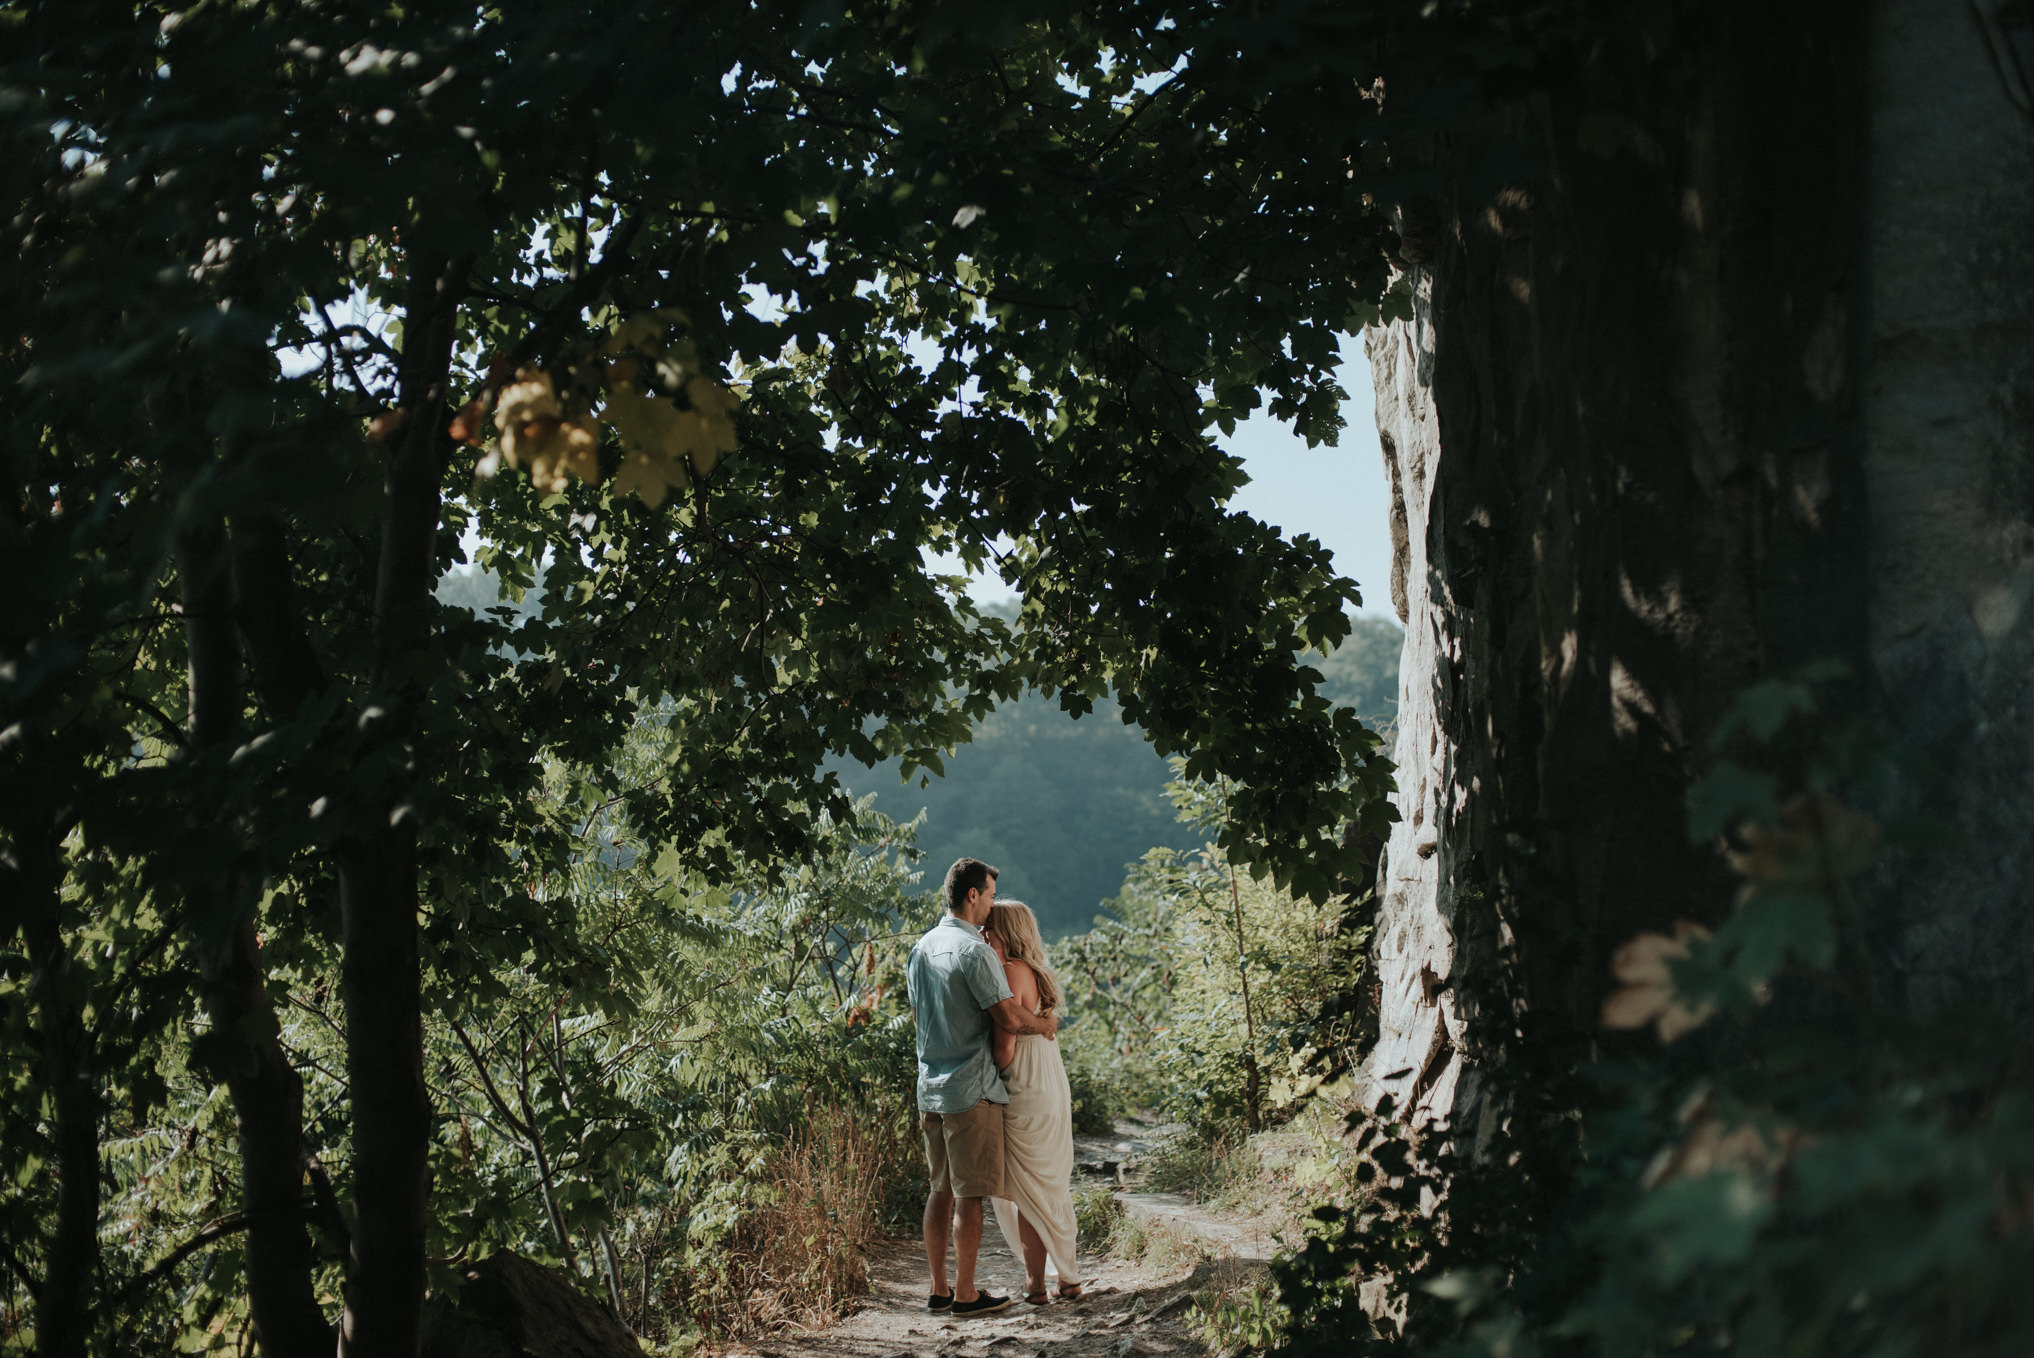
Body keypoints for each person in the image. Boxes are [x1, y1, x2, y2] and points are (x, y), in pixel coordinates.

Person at [908, 858, 1059, 1317]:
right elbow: (1009, 1017)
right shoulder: (974, 952)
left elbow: (919, 1018)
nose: (992, 905)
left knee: (940, 1190)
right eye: (990, 895)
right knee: (969, 1194)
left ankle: (938, 1289)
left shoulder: (921, 948)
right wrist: (1046, 1024)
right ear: (972, 895)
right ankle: (967, 1294)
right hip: (971, 1090)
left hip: (930, 1086)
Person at [982, 900, 1086, 1306]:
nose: (983, 935)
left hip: (1024, 1085)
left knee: (1026, 1191)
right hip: (1051, 1082)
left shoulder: (1007, 972)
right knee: (1050, 1186)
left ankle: (1036, 1284)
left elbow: (1004, 1051)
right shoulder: (1040, 972)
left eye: (989, 928)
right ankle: (1069, 1278)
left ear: (1004, 932)